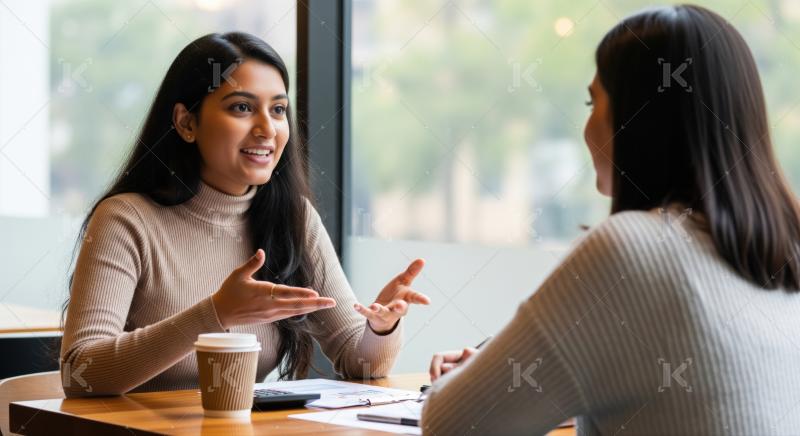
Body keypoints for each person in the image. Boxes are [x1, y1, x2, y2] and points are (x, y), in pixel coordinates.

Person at [422, 5, 800, 434]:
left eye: (593, 101)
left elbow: (451, 425)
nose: (586, 125)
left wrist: (473, 384)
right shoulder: (785, 249)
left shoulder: (632, 248)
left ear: (640, 121)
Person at [60, 32, 430, 397]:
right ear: (187, 123)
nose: (267, 129)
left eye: (279, 110)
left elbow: (357, 361)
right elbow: (80, 373)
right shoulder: (125, 220)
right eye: (242, 107)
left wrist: (381, 326)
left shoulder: (294, 217)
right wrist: (216, 313)